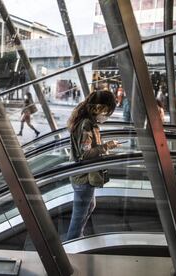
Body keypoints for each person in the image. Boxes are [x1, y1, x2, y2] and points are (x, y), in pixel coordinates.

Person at [66, 90, 118, 240]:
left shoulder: (86, 122)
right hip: (83, 177)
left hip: (83, 176)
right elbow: (85, 153)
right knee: (78, 217)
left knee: (89, 205)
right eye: (107, 112)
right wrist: (106, 146)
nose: (107, 116)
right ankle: (72, 243)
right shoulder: (87, 124)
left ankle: (77, 236)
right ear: (98, 108)